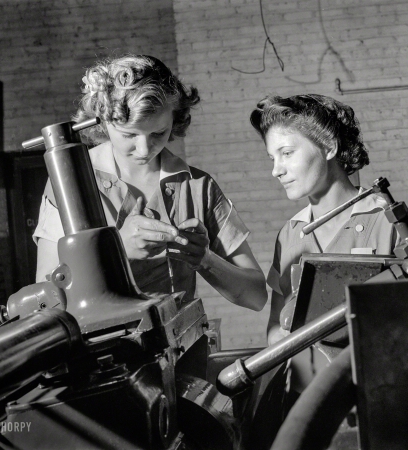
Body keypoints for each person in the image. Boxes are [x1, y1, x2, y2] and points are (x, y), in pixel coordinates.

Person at [33, 54, 267, 311]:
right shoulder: (70, 184)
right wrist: (117, 250)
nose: (144, 149)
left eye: (159, 133)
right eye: (129, 134)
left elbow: (256, 296)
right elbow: (44, 303)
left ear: (175, 119)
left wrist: (206, 260)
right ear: (102, 121)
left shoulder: (198, 187)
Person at [250, 93, 396, 345]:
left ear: (329, 146)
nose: (276, 170)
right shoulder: (290, 234)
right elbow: (275, 324)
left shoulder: (389, 220)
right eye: (272, 158)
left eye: (286, 153)